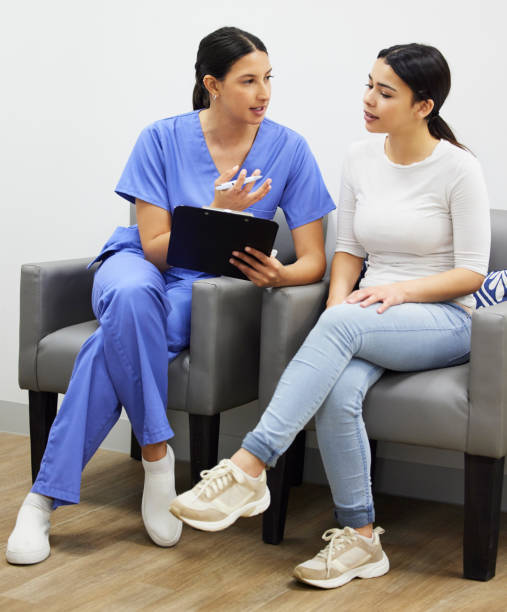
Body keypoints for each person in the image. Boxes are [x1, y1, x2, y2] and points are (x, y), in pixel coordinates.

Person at [6, 26, 335, 565]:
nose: (264, 93)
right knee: (132, 298)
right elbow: (157, 245)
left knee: (114, 337)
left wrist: (281, 277)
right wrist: (217, 211)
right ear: (212, 84)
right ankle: (158, 454)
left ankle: (42, 500)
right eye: (248, 81)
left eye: (268, 79)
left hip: (204, 288)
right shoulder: (160, 138)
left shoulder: (290, 149)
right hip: (140, 262)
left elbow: (315, 259)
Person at [170, 43, 491, 590]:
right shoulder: (359, 158)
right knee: (340, 391)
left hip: (442, 318)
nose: (369, 99)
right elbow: (348, 253)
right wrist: (338, 298)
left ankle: (250, 465)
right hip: (369, 315)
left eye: (385, 92)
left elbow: (472, 273)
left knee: (343, 322)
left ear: (423, 106)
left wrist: (401, 293)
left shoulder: (458, 168)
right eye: (369, 84)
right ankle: (361, 537)